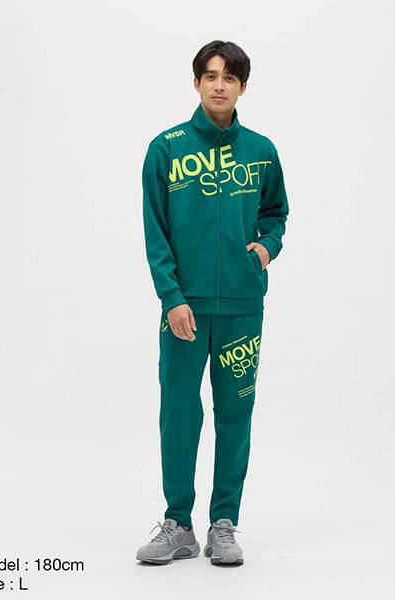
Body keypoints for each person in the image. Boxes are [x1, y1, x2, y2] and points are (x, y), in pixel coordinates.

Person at [137, 40, 289, 566]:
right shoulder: (166, 149)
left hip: (243, 306)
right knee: (179, 414)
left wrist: (265, 249)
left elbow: (276, 214)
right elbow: (156, 231)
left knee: (235, 413)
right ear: (196, 82)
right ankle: (178, 524)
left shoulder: (262, 151)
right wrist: (171, 297)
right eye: (210, 75)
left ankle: (223, 523)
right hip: (184, 309)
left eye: (228, 77)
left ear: (242, 86)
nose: (219, 85)